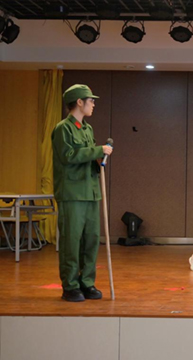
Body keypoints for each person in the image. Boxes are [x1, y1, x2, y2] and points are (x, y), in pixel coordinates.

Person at [52, 84, 113, 302]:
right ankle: (70, 285)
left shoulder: (87, 129)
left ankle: (87, 282)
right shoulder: (63, 128)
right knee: (71, 241)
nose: (93, 104)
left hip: (90, 192)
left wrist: (99, 158)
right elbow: (68, 155)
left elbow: (87, 157)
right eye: (90, 100)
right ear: (79, 102)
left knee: (91, 240)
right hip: (72, 194)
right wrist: (97, 150)